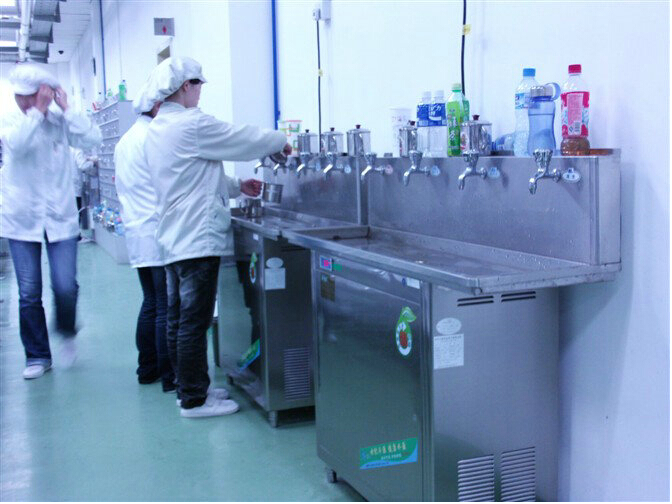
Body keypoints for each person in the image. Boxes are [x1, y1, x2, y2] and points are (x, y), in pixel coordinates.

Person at [143, 57, 290, 418]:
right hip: (196, 238)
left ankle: (189, 388)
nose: (200, 93)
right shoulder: (190, 124)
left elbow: (193, 176)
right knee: (193, 322)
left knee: (180, 320)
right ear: (185, 86)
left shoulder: (159, 129)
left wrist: (238, 186)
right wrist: (280, 140)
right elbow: (239, 139)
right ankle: (194, 400)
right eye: (198, 86)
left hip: (175, 236)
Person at [0, 65, 102, 379]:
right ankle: (37, 356)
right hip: (21, 218)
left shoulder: (60, 122)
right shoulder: (11, 121)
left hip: (59, 215)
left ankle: (67, 331)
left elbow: (93, 138)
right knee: (29, 291)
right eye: (20, 97)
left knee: (65, 284)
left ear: (45, 93)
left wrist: (67, 108)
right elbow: (16, 145)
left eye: (31, 97)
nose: (24, 102)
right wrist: (36, 113)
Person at [113, 84, 177, 391]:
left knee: (151, 302)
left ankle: (147, 369)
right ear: (156, 107)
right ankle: (169, 376)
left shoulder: (126, 139)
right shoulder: (152, 137)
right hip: (155, 229)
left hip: (138, 230)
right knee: (165, 306)